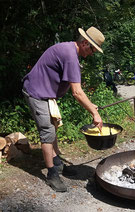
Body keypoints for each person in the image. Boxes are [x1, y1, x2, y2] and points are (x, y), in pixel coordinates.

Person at [22, 26, 105, 192]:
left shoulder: (69, 50)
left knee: (53, 126)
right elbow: (77, 92)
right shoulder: (70, 56)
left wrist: (90, 105)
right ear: (84, 43)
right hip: (36, 93)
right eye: (93, 50)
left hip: (46, 93)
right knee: (47, 131)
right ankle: (52, 174)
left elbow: (77, 89)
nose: (92, 54)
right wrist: (94, 112)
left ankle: (57, 163)